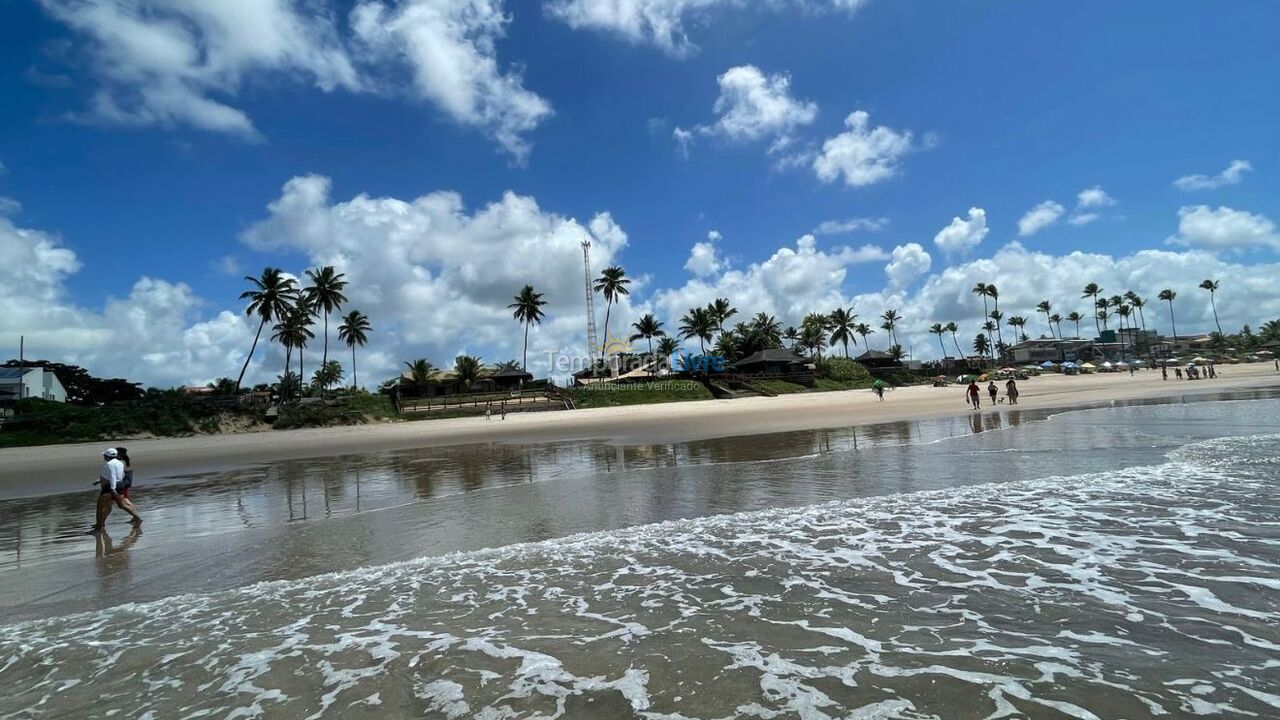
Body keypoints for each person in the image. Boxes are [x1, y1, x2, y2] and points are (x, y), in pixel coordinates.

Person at [89, 448, 141, 533]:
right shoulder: (120, 463)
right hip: (119, 484)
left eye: (104, 455)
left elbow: (113, 476)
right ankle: (138, 518)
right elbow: (120, 475)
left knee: (100, 508)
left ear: (107, 456)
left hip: (110, 487)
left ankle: (99, 528)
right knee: (122, 505)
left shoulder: (109, 464)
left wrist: (113, 488)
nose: (104, 457)